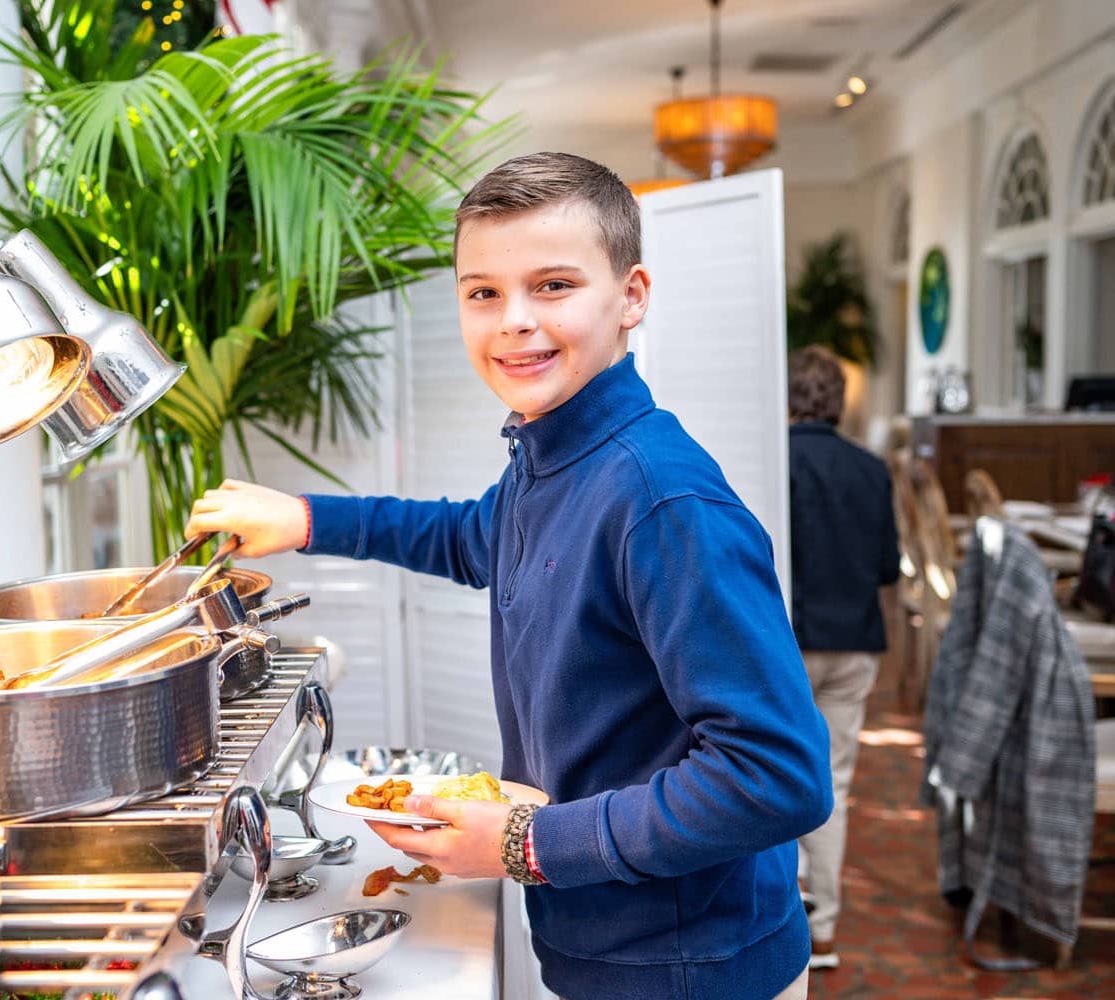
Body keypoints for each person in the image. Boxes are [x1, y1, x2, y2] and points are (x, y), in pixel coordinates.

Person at [186, 152, 832, 1000]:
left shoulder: (660, 499)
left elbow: (779, 776)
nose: (512, 322)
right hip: (608, 944)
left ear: (632, 296)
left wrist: (525, 842)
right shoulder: (552, 454)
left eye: (554, 285)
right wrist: (305, 519)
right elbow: (471, 536)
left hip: (693, 970)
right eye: (482, 291)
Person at [786, 345, 900, 970]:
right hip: (855, 642)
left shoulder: (774, 464)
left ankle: (785, 916)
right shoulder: (871, 468)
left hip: (789, 645)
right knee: (835, 784)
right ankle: (824, 929)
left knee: (771, 775)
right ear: (838, 400)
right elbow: (887, 567)